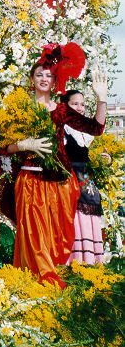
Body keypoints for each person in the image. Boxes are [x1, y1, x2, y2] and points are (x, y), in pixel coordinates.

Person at [6, 45, 107, 288]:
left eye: (49, 75)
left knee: (56, 240)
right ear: (31, 78)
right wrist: (23, 145)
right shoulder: (20, 107)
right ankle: (43, 282)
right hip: (30, 181)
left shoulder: (61, 111)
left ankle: (49, 276)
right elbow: (2, 146)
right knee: (35, 237)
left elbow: (96, 128)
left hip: (61, 185)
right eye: (39, 74)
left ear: (55, 81)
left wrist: (101, 98)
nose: (44, 78)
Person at [61, 90, 105, 265]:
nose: (80, 108)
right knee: (74, 220)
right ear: (65, 106)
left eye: (83, 105)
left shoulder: (86, 131)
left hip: (85, 181)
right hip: (68, 181)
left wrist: (102, 159)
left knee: (88, 218)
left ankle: (90, 261)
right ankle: (74, 262)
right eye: (75, 104)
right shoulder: (61, 128)